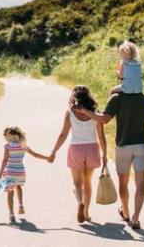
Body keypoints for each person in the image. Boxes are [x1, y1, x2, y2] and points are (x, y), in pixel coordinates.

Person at [76, 87, 144, 230]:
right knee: (141, 183)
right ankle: (135, 218)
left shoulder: (117, 98)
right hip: (142, 145)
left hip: (123, 147)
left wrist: (85, 111)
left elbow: (104, 119)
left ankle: (125, 212)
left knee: (123, 183)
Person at [48, 85, 108, 223]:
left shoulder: (69, 113)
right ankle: (86, 212)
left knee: (76, 183)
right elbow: (101, 136)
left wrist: (53, 152)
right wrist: (105, 154)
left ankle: (79, 202)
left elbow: (63, 134)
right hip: (92, 149)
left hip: (76, 149)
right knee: (87, 183)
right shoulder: (95, 113)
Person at [0, 126, 52, 223]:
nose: (5, 138)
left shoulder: (7, 146)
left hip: (9, 171)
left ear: (10, 136)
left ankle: (11, 213)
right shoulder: (23, 145)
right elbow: (35, 154)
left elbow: (5, 160)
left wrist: (0, 172)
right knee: (18, 187)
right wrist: (47, 158)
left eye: (6, 136)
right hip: (20, 171)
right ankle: (21, 204)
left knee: (10, 192)